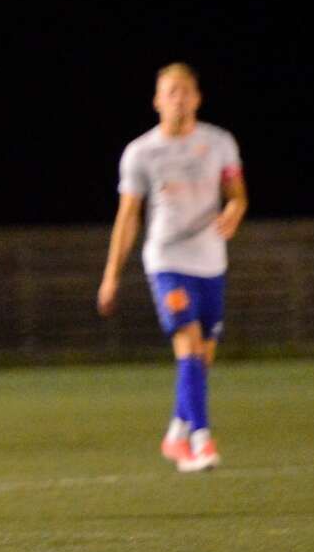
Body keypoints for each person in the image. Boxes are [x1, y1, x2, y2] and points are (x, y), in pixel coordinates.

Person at [97, 62, 247, 472]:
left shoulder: (219, 142)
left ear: (197, 98)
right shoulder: (141, 152)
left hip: (211, 261)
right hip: (167, 261)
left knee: (202, 357)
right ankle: (201, 441)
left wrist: (235, 210)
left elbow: (237, 194)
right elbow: (128, 216)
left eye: (185, 91)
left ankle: (176, 433)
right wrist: (111, 276)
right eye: (171, 92)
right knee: (189, 345)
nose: (179, 98)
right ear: (157, 101)